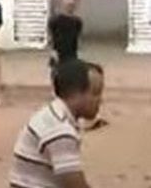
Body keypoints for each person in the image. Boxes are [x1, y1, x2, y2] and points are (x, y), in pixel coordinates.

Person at [10, 60, 104, 188]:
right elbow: (74, 184)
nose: (100, 100)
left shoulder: (52, 114)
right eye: (95, 93)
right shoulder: (60, 129)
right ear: (76, 94)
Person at [49, 0, 83, 74]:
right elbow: (52, 39)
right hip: (58, 58)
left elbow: (77, 41)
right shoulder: (54, 20)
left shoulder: (77, 22)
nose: (71, 2)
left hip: (72, 59)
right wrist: (53, 53)